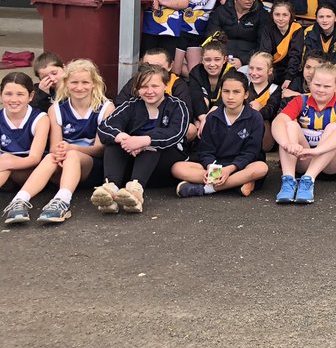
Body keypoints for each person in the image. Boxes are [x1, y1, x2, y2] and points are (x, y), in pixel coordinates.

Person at [2, 60, 111, 225]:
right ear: (66, 84)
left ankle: (62, 201)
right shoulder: (56, 109)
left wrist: (70, 148)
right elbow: (54, 147)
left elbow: (100, 149)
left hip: (90, 168)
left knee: (72, 155)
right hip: (62, 164)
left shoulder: (106, 108)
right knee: (50, 157)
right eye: (74, 82)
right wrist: (60, 150)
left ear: (94, 84)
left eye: (85, 82)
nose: (79, 87)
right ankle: (19, 201)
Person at [95, 64, 191, 213]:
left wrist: (143, 141)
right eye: (144, 87)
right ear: (137, 89)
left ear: (165, 86)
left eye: (155, 86)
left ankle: (136, 192)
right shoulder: (131, 105)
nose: (149, 91)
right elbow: (105, 127)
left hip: (164, 165)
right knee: (114, 142)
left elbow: (175, 133)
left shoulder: (177, 106)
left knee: (152, 144)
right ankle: (110, 190)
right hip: (133, 165)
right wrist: (123, 138)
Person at [271, 61, 336, 205]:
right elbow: (278, 123)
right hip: (304, 159)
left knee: (334, 128)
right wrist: (287, 144)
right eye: (317, 85)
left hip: (333, 165)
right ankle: (288, 181)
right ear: (309, 83)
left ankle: (308, 180)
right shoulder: (300, 100)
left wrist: (318, 151)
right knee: (290, 125)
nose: (321, 90)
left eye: (327, 86)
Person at [173, 74, 269, 199]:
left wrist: (229, 169)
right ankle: (234, 184)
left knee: (261, 168)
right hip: (216, 166)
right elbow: (205, 150)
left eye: (236, 92)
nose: (230, 97)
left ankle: (207, 189)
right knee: (177, 168)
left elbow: (251, 152)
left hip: (241, 167)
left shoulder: (255, 117)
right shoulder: (212, 117)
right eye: (226, 91)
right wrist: (210, 167)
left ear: (245, 94)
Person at [0, 72, 50, 214]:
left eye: (20, 94)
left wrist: (7, 161)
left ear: (31, 96)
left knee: (5, 161)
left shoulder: (40, 118)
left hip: (32, 173)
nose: (14, 99)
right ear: (1, 94)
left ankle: (19, 203)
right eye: (8, 94)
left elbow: (34, 159)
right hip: (6, 177)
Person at [208, 0, 269, 67]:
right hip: (221, 61)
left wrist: (243, 61)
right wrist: (221, 58)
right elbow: (211, 38)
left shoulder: (262, 15)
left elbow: (263, 46)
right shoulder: (221, 11)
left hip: (250, 63)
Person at [187, 40, 239, 127]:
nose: (212, 64)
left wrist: (207, 119)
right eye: (207, 60)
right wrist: (203, 118)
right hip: (200, 114)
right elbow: (195, 97)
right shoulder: (196, 72)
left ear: (224, 60)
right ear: (202, 60)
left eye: (217, 59)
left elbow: (224, 99)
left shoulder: (231, 72)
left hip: (224, 112)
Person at [259, 0, 303, 91]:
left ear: (291, 15)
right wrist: (267, 73)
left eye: (285, 15)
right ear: (272, 15)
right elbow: (265, 53)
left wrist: (289, 78)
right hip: (272, 69)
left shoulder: (296, 28)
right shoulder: (268, 28)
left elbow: (295, 55)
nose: (281, 18)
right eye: (277, 14)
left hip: (291, 70)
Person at [244, 50, 282, 151]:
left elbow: (270, 111)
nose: (254, 73)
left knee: (261, 119)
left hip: (266, 136)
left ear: (269, 71)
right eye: (251, 68)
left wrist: (258, 108)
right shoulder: (244, 87)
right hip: (243, 131)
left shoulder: (274, 89)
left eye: (259, 69)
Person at [298, 4, 336, 73]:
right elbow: (306, 55)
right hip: (314, 71)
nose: (324, 20)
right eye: (321, 17)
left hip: (335, 72)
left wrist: (327, 71)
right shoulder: (309, 32)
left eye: (328, 16)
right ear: (316, 19)